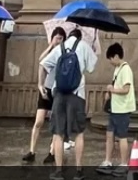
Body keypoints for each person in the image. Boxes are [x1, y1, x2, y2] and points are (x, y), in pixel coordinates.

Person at [50, 26, 97, 176]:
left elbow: (44, 63)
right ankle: (78, 170)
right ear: (80, 37)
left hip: (59, 94)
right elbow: (91, 68)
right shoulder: (84, 46)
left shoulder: (60, 47)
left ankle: (58, 170)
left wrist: (40, 84)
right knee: (78, 133)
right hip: (77, 95)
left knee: (58, 133)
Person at [22, 26, 65, 164]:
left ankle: (52, 151)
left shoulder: (64, 53)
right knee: (39, 121)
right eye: (57, 38)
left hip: (57, 90)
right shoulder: (50, 52)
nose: (59, 41)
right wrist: (51, 46)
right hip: (45, 89)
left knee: (54, 122)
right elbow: (41, 61)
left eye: (61, 38)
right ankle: (32, 151)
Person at [98, 41, 135, 173]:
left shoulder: (126, 69)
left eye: (110, 58)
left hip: (122, 109)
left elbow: (126, 89)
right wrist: (110, 92)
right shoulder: (117, 69)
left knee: (122, 136)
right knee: (109, 134)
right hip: (114, 108)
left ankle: (124, 163)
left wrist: (112, 90)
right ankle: (108, 161)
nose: (110, 62)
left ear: (116, 56)